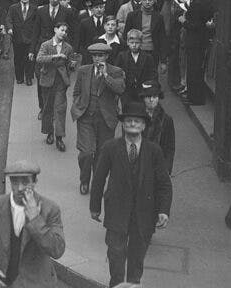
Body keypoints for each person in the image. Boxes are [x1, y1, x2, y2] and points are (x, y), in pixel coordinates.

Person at [90, 101, 172, 288]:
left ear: (144, 125)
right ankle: (116, 285)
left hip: (143, 216)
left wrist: (163, 211)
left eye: (137, 121)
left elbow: (164, 185)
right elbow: (99, 178)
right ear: (123, 124)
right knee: (116, 257)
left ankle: (134, 285)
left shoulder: (154, 151)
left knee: (136, 263)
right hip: (117, 213)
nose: (132, 124)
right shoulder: (111, 147)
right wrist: (95, 207)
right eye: (128, 121)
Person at [0, 160, 65, 288]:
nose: (19, 188)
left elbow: (57, 250)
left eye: (25, 182)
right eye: (15, 182)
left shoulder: (50, 209)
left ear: (34, 183)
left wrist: (35, 219)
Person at [71, 42, 125, 195]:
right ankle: (84, 180)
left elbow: (120, 89)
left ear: (107, 56)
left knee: (102, 155)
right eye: (94, 55)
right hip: (86, 117)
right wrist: (78, 106)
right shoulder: (83, 71)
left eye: (100, 55)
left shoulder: (116, 71)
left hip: (106, 119)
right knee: (86, 153)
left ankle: (97, 183)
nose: (97, 59)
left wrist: (106, 76)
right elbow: (76, 92)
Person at [35, 22, 75, 152]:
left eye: (66, 31)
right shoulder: (46, 45)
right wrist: (55, 56)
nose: (64, 33)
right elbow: (39, 59)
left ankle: (59, 137)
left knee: (60, 109)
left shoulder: (68, 47)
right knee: (48, 108)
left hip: (61, 82)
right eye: (62, 30)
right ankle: (49, 132)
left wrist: (71, 66)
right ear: (55, 30)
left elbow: (70, 63)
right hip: (47, 80)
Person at [180, 0, 214, 106]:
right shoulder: (202, 1)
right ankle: (194, 96)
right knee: (197, 69)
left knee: (194, 70)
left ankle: (195, 98)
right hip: (200, 41)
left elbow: (196, 25)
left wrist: (183, 21)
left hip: (195, 42)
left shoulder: (196, 3)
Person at [140, 81, 175, 174]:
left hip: (158, 168)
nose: (151, 100)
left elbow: (170, 148)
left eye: (154, 96)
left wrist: (167, 170)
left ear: (158, 98)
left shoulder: (166, 120)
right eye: (148, 96)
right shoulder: (136, 118)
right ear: (143, 98)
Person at [114, 29, 156, 105]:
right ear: (127, 43)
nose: (134, 45)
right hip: (126, 91)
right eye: (131, 43)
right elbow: (116, 72)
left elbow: (153, 75)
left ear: (141, 43)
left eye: (137, 43)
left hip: (142, 91)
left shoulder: (148, 57)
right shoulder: (122, 56)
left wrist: (148, 88)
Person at [6, 0, 38, 85]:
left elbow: (37, 22)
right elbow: (8, 19)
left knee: (29, 58)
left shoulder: (34, 8)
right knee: (18, 58)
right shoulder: (13, 8)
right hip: (17, 37)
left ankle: (28, 78)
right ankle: (19, 77)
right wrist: (10, 28)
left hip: (30, 37)